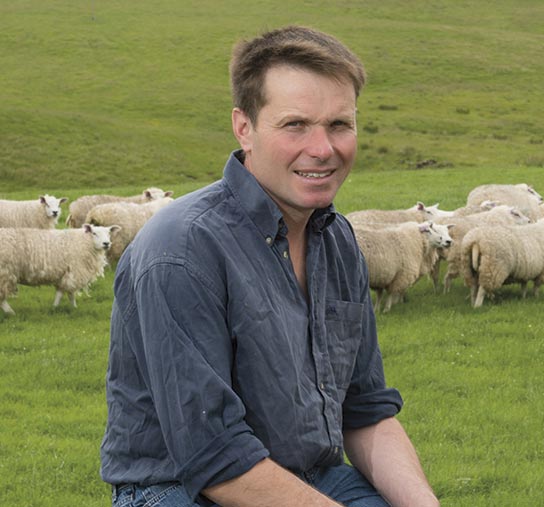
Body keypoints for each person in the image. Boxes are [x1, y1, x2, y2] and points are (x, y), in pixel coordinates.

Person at [100, 26, 440, 507]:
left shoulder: (338, 241)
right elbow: (214, 458)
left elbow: (364, 413)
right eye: (295, 124)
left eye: (339, 124)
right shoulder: (181, 249)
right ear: (244, 127)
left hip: (312, 477)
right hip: (181, 489)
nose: (323, 148)